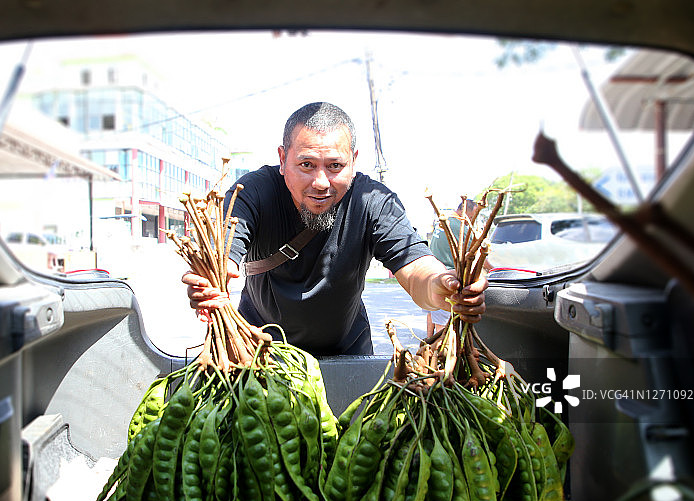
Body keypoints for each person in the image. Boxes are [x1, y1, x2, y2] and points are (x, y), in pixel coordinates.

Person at [182, 102, 487, 357]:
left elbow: (417, 270)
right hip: (258, 352)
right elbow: (222, 251)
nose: (321, 183)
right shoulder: (252, 192)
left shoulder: (374, 201)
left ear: (353, 162)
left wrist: (445, 286)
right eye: (306, 165)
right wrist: (210, 279)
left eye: (335, 166)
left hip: (347, 352)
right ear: (282, 158)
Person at [426, 198, 492, 336]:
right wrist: (493, 269)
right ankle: (439, 348)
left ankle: (430, 341)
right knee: (443, 329)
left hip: (434, 274)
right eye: (473, 215)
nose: (472, 219)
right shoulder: (458, 225)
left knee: (433, 312)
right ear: (464, 210)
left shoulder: (444, 221)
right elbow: (476, 252)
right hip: (448, 278)